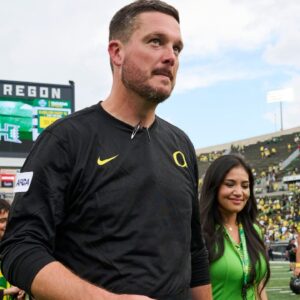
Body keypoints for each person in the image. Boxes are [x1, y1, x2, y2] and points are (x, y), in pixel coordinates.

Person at [0, 1, 212, 300]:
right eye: (156, 42)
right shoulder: (64, 140)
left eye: (177, 48)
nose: (170, 57)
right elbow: (19, 247)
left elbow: (195, 252)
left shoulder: (181, 145)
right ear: (117, 52)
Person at [199, 154, 270, 300]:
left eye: (245, 186)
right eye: (230, 184)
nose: (239, 192)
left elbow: (259, 285)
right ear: (214, 187)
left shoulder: (254, 231)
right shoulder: (199, 233)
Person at [0, 199, 25, 300]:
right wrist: (9, 291)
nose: (6, 225)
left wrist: (20, 292)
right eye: (2, 221)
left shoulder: (15, 249)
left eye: (8, 220)